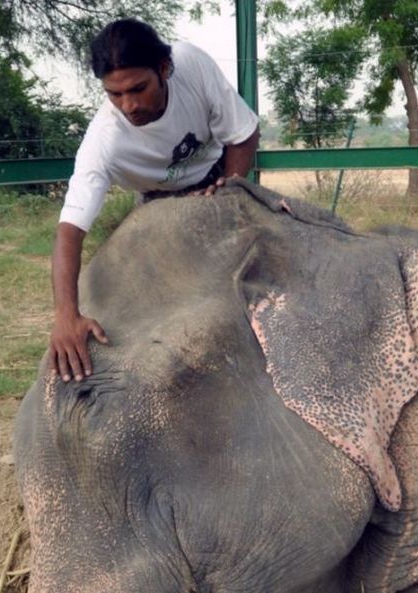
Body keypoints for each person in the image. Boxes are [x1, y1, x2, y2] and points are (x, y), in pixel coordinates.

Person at [51, 17, 260, 382]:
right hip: (155, 204)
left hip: (218, 180)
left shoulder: (192, 65)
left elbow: (242, 134)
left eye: (137, 88)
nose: (128, 105)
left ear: (164, 69)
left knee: (248, 285)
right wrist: (66, 315)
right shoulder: (103, 142)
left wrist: (230, 189)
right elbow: (70, 230)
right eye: (114, 94)